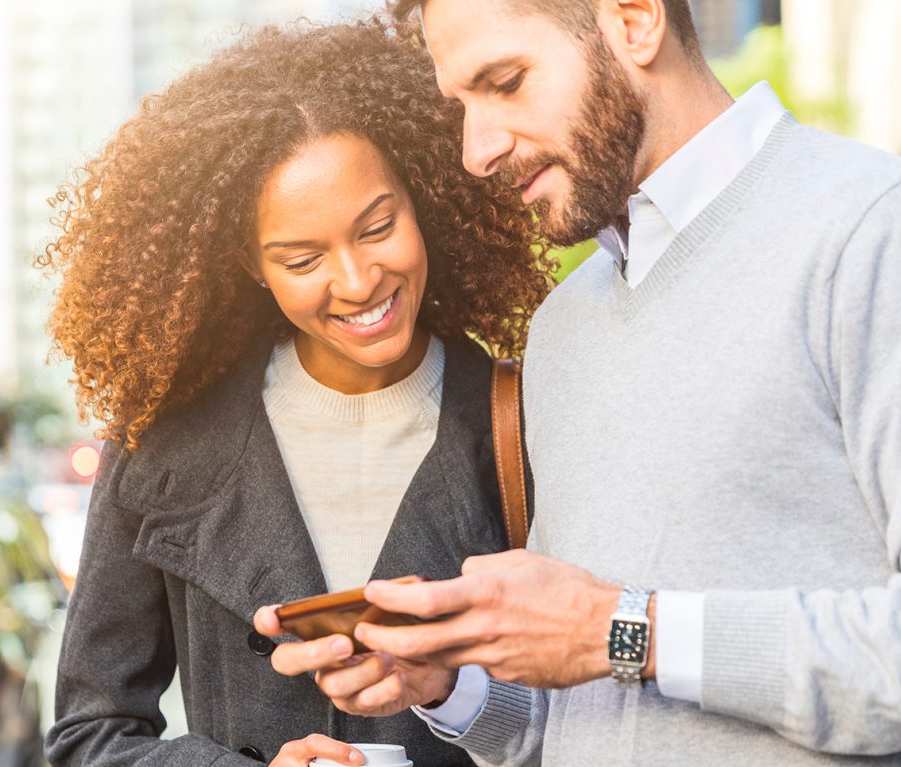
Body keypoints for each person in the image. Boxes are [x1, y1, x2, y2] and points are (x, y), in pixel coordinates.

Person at [256, 1, 901, 765]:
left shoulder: (887, 232)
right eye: (460, 105)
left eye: (504, 82)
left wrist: (624, 630)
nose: (476, 150)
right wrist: (450, 686)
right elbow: (585, 711)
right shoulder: (565, 330)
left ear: (634, 19)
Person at [39, 19, 553, 767]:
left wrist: (455, 689)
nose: (357, 281)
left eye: (377, 227)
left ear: (425, 199)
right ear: (252, 263)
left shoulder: (524, 422)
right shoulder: (164, 443)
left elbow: (597, 719)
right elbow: (89, 735)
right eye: (303, 257)